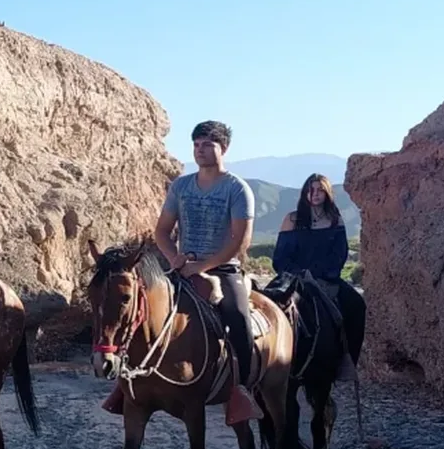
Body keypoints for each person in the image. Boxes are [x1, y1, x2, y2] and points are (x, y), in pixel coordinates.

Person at [153, 120, 262, 425]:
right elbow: (161, 231)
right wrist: (174, 258)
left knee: (238, 317)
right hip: (182, 267)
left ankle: (242, 388)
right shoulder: (181, 186)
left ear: (223, 148)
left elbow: (240, 242)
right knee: (143, 308)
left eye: (207, 145)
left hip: (224, 269)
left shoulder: (237, 188)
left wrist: (202, 266)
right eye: (196, 145)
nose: (200, 151)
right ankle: (132, 381)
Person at [272, 173, 366, 368]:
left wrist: (320, 275)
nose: (314, 194)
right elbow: (281, 257)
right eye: (310, 190)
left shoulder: (335, 220)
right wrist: (299, 274)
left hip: (326, 278)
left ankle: (346, 364)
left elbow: (339, 255)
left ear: (327, 193)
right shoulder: (292, 219)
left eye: (319, 190)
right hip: (293, 278)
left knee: (357, 305)